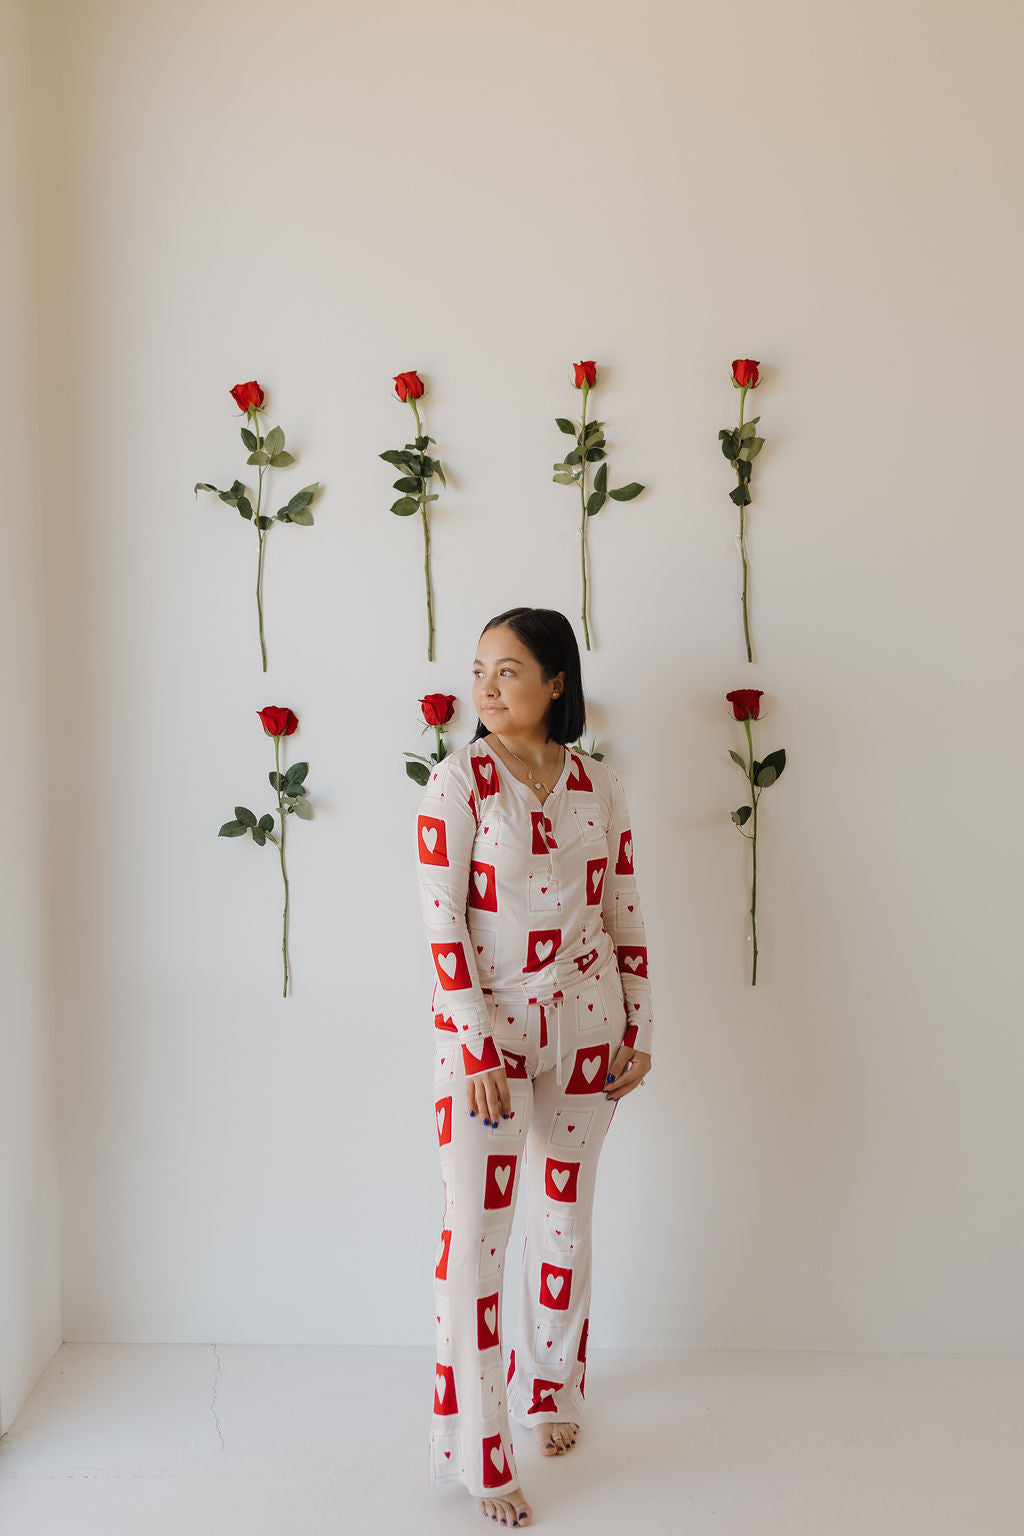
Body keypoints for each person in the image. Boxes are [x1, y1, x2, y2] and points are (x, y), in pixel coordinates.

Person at [416, 606, 653, 1527]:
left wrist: (640, 1024)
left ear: (557, 681)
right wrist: (475, 1042)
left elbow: (625, 905)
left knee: (564, 1220)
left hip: (590, 1027)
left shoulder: (600, 784)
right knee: (474, 1240)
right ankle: (481, 1452)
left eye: (508, 670)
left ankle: (550, 1391)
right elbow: (442, 926)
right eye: (480, 669)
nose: (485, 686)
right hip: (490, 1042)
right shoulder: (456, 783)